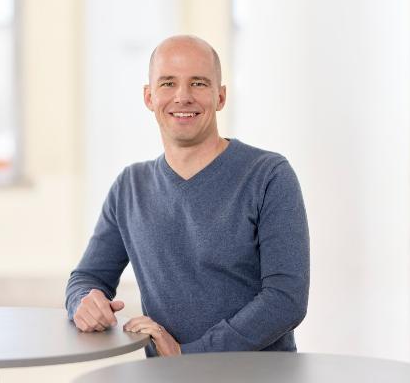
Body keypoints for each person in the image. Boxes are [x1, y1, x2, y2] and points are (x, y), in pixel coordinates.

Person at [65, 35, 310, 357]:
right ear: (149, 96)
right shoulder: (130, 187)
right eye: (168, 83)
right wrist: (85, 301)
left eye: (198, 83)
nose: (183, 97)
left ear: (220, 96)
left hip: (258, 376)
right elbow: (88, 277)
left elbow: (286, 299)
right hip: (168, 375)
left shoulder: (268, 175)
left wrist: (190, 356)